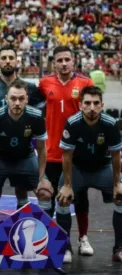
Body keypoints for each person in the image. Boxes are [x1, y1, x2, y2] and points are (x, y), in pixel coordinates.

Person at [38, 46, 95, 262]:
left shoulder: (85, 84)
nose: (63, 63)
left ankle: (83, 238)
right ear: (54, 64)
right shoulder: (44, 84)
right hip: (53, 152)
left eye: (67, 60)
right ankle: (54, 240)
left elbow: (93, 114)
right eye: (59, 60)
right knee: (50, 197)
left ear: (74, 62)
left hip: (77, 154)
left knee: (80, 197)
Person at [56, 86, 122, 263]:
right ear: (80, 105)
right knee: (62, 199)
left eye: (96, 103)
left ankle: (119, 249)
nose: (91, 107)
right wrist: (68, 185)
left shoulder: (111, 123)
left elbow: (116, 155)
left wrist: (117, 184)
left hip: (102, 168)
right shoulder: (72, 122)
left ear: (102, 105)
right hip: (78, 169)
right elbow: (67, 155)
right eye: (87, 103)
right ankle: (65, 247)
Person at [0, 79, 52, 215]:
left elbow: (41, 148)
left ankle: (42, 232)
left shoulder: (36, 117)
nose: (17, 103)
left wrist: (42, 178)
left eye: (21, 98)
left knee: (45, 192)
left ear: (27, 100)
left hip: (25, 157)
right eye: (13, 98)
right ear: (6, 99)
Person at [0, 46, 44, 112]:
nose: (7, 61)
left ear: (17, 62)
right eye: (4, 58)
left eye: (11, 58)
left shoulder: (31, 87)